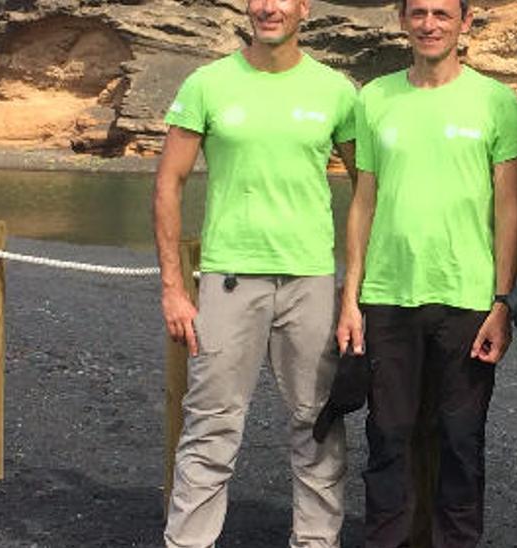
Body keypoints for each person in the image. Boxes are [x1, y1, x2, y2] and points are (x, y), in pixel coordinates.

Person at [151, 0, 358, 544]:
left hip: (310, 280)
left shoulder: (336, 91)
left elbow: (369, 191)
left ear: (303, 8)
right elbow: (168, 182)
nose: (269, 7)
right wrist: (174, 287)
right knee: (211, 424)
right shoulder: (207, 83)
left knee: (318, 423)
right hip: (228, 279)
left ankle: (316, 541)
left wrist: (356, 291)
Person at [334, 0, 517, 544]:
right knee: (388, 437)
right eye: (418, 13)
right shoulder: (374, 98)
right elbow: (363, 201)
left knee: (462, 441)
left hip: (468, 300)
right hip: (387, 297)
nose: (429, 24)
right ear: (401, 21)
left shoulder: (496, 101)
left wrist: (503, 302)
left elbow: (509, 207)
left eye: (443, 13)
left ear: (466, 22)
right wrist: (351, 297)